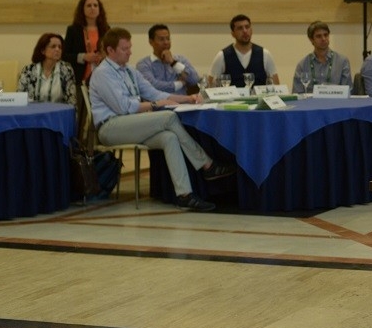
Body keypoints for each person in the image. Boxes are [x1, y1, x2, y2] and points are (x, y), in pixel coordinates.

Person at [89, 28, 236, 212]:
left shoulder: (129, 71)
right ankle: (207, 164)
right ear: (110, 50)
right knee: (169, 117)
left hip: (132, 124)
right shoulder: (103, 73)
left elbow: (155, 93)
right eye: (125, 49)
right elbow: (123, 107)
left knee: (169, 138)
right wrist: (155, 104)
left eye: (130, 48)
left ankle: (185, 195)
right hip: (111, 128)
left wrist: (188, 98)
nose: (130, 52)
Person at [209, 14, 280, 87]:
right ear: (233, 34)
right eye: (240, 28)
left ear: (251, 30)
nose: (245, 31)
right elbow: (210, 86)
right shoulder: (222, 56)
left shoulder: (265, 54)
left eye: (247, 27)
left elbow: (276, 85)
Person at [136, 24, 201, 95]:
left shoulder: (181, 59)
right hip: (158, 102)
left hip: (184, 101)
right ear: (151, 42)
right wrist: (180, 84)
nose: (166, 42)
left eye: (168, 38)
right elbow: (151, 86)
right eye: (161, 39)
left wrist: (173, 63)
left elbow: (194, 80)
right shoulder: (143, 64)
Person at [17, 33, 77, 106]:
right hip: (33, 111)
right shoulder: (29, 70)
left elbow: (72, 101)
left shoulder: (66, 70)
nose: (57, 49)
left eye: (60, 47)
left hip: (57, 112)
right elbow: (19, 97)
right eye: (53, 46)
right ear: (43, 50)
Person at [292, 20, 352, 93]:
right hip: (311, 100)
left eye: (326, 35)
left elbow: (348, 91)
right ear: (311, 39)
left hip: (336, 100)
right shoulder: (302, 65)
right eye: (319, 36)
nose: (323, 39)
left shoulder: (342, 61)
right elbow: (297, 93)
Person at [63, 0, 109, 83]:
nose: (92, 8)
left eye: (95, 5)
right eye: (89, 5)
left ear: (99, 9)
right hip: (79, 78)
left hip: (102, 77)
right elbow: (64, 55)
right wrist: (83, 57)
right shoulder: (73, 30)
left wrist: (102, 56)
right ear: (82, 9)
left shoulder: (106, 29)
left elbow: (112, 53)